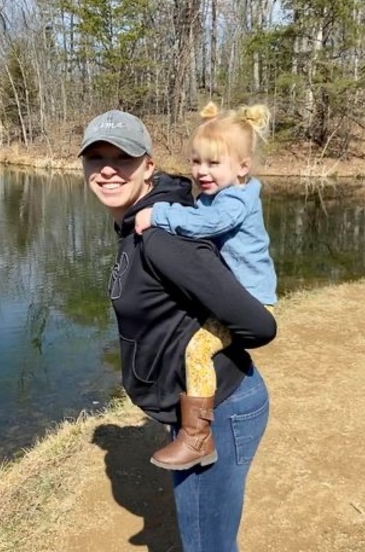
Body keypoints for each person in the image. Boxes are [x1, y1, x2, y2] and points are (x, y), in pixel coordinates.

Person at [79, 109, 277, 552]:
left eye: (123, 158)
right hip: (194, 409)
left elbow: (259, 325)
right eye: (96, 158)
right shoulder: (141, 220)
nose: (108, 170)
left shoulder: (161, 236)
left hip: (221, 410)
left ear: (148, 165)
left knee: (207, 545)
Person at [134, 102, 277, 471]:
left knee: (197, 351)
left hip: (251, 301)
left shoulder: (234, 200)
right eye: (196, 162)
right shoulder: (224, 194)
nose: (201, 171)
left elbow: (207, 224)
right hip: (238, 295)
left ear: (242, 167)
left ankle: (197, 437)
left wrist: (157, 214)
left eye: (214, 163)